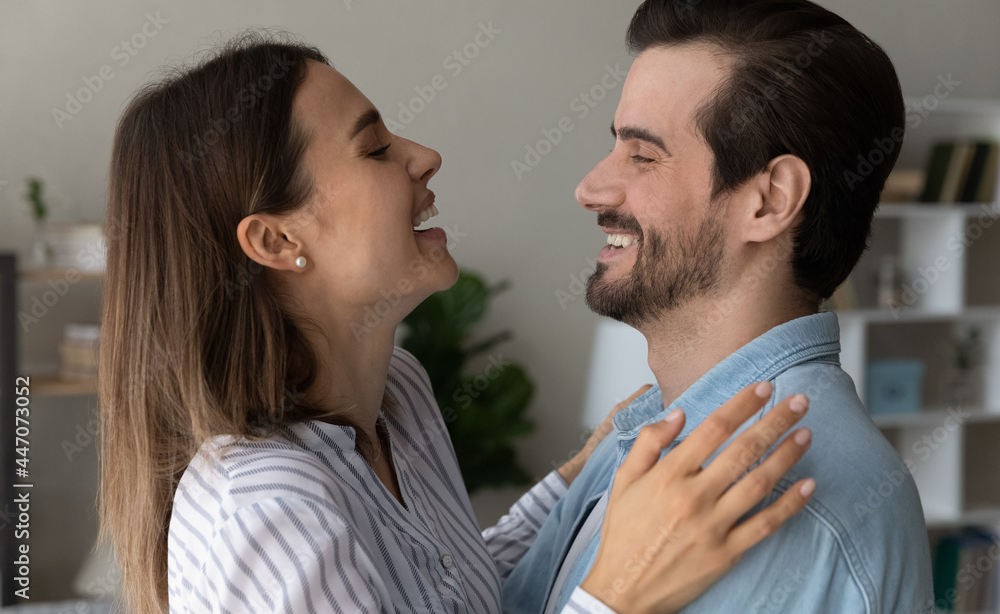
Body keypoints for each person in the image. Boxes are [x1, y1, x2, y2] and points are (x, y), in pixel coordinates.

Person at [97, 33, 817, 614]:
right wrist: (617, 595)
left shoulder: (398, 396)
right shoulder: (266, 508)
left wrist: (585, 472)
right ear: (278, 241)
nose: (425, 156)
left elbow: (448, 593)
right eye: (375, 149)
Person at [501, 0, 934, 614]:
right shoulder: (654, 434)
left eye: (643, 155)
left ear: (770, 201)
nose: (591, 188)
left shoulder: (764, 497)